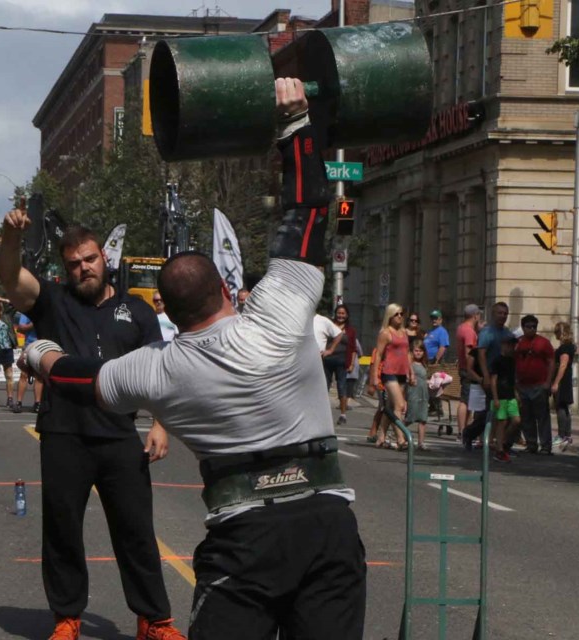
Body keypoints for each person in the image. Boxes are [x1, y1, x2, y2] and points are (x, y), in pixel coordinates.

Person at [19, 79, 365, 638]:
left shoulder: (161, 366)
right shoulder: (277, 312)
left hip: (244, 536)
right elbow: (306, 213)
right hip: (326, 521)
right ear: (227, 290)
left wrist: (39, 354)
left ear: (168, 314)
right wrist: (297, 124)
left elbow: (81, 378)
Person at [0, 221, 181, 636]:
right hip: (64, 433)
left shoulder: (137, 310)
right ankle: (67, 618)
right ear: (66, 270)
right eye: (74, 263)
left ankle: (154, 621)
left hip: (119, 435)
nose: (84, 268)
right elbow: (10, 275)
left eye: (90, 259)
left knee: (136, 532)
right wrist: (11, 238)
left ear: (105, 259)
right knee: (62, 530)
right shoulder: (52, 301)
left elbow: (158, 370)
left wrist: (160, 424)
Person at [515, 314, 554, 454]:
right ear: (523, 327)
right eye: (528, 327)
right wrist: (516, 383)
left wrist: (548, 382)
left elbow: (551, 362)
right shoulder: (518, 342)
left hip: (539, 385)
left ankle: (545, 446)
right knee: (526, 417)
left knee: (542, 417)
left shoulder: (543, 343)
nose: (531, 329)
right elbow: (514, 362)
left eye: (534, 327)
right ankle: (531, 444)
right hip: (523, 386)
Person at [490, 334, 521, 462]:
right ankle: (499, 449)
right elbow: (493, 380)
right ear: (503, 345)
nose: (512, 348)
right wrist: (495, 398)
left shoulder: (512, 361)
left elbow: (512, 380)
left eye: (513, 345)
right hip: (500, 395)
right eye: (510, 345)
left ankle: (502, 441)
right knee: (501, 422)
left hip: (510, 395)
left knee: (516, 420)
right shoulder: (497, 360)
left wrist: (517, 394)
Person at [327, 304, 356, 425]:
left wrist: (352, 364)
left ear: (347, 315)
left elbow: (353, 348)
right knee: (324, 387)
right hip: (327, 360)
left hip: (342, 361)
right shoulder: (329, 325)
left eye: (343, 313)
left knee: (342, 387)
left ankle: (343, 415)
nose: (340, 316)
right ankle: (322, 414)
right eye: (339, 313)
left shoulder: (350, 330)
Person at [455, 304, 481, 437]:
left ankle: (464, 429)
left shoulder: (461, 328)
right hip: (468, 369)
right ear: (475, 315)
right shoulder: (469, 332)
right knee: (465, 401)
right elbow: (468, 353)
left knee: (467, 400)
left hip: (463, 368)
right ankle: (461, 430)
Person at [551, 321, 576, 451]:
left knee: (560, 406)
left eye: (556, 332)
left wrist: (556, 382)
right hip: (565, 379)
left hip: (563, 380)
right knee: (565, 407)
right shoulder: (569, 346)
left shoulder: (565, 347)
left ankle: (562, 435)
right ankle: (567, 435)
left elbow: (563, 364)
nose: (555, 335)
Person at [12, 311, 43, 413]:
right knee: (24, 374)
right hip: (29, 345)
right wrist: (34, 323)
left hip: (42, 345)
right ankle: (19, 402)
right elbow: (21, 328)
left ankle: (37, 403)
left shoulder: (47, 312)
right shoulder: (27, 312)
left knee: (39, 376)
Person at [407, 339, 430, 450]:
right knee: (410, 417)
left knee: (423, 419)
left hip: (424, 394)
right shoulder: (410, 364)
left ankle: (421, 442)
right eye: (416, 351)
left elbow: (424, 378)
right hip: (413, 393)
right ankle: (398, 432)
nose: (418, 353)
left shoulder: (424, 364)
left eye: (421, 351)